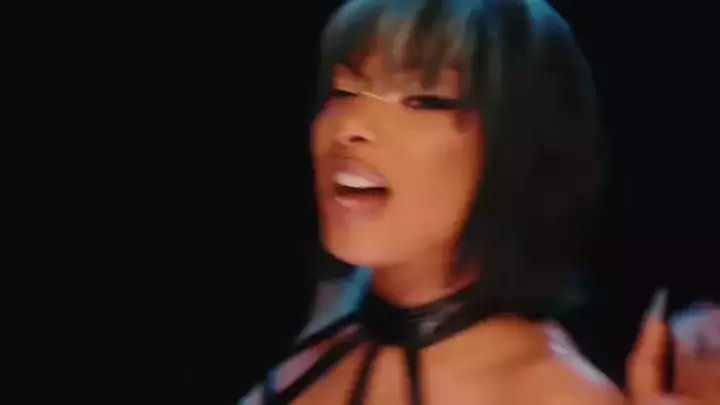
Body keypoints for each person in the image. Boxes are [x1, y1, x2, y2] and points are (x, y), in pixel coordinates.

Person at [241, 1, 719, 404]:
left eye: (422, 100)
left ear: (518, 145)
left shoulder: (556, 394)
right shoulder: (336, 306)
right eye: (344, 90)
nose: (349, 126)